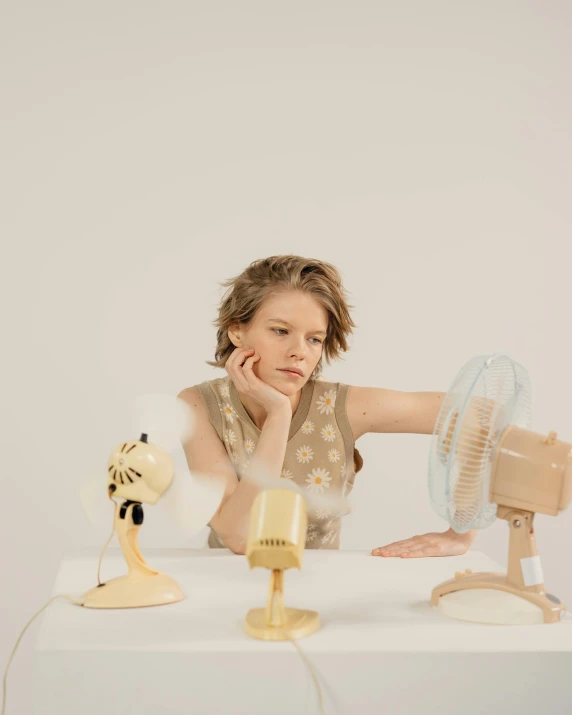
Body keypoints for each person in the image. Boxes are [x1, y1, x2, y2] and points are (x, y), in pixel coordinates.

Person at [178, 255, 476, 556]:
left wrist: (460, 534)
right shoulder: (198, 406)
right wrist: (279, 416)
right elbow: (240, 536)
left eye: (314, 339)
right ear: (237, 331)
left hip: (322, 587)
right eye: (280, 331)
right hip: (225, 586)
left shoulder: (339, 407)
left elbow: (482, 418)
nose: (299, 352)